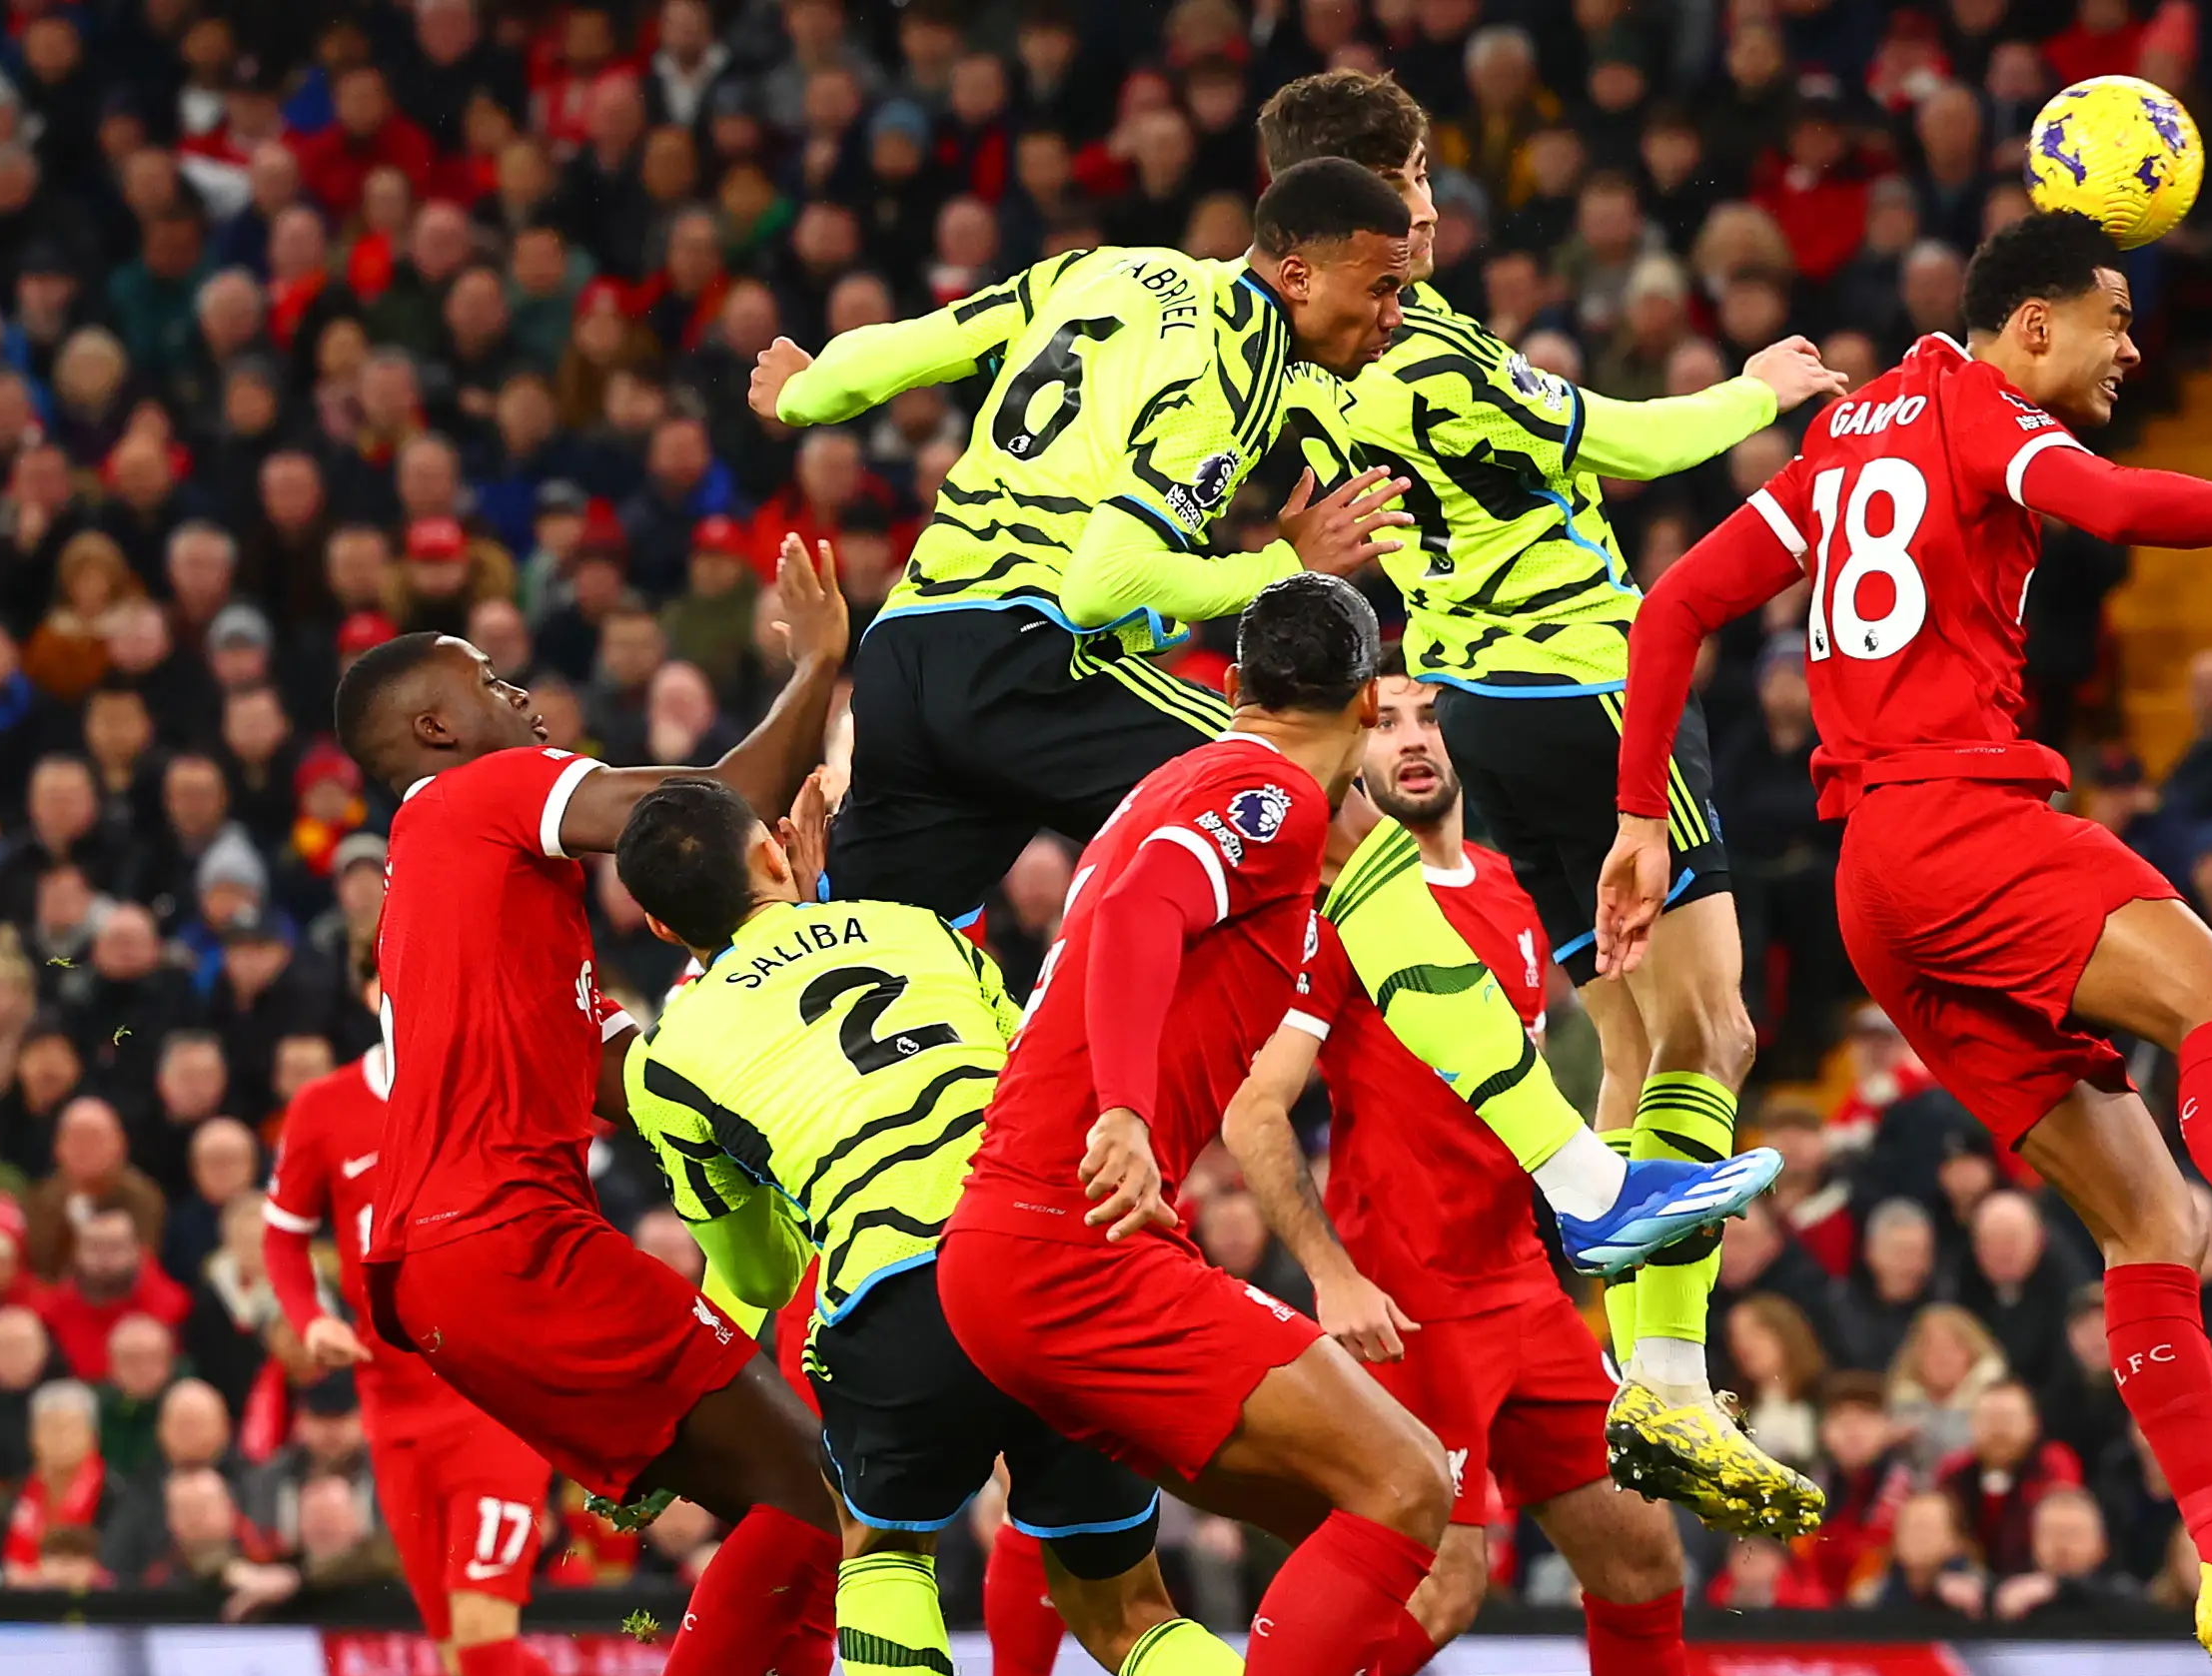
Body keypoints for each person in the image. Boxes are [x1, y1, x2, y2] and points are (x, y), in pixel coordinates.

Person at [1603, 208, 2212, 1676]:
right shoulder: (1981, 414)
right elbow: (2118, 507)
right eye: (2113, 320)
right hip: (1958, 819)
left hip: (1875, 888)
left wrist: (1639, 817)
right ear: (2030, 326)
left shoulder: (1838, 445)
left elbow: (1676, 602)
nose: (2130, 348)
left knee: (2149, 1221)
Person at [744, 160, 1747, 1361]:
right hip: (1031, 655)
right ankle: (1584, 1186)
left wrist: (805, 394)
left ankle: (782, 1326)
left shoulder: (1101, 270)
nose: (1391, 317)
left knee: (859, 970)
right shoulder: (1232, 360)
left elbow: (902, 351)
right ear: (1296, 274)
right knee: (1346, 834)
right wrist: (1285, 563)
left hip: (906, 653)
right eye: (1376, 292)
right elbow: (1101, 583)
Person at [935, 576, 1765, 1676]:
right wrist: (1125, 1111)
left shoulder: (1239, 797)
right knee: (1404, 1497)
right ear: (1371, 703)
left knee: (1384, 1527)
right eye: (1399, 713)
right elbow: (1138, 917)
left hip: (1053, 1245)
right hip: (1077, 1236)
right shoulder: (1262, 799)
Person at [607, 772, 1386, 1676]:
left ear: (663, 927)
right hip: (1050, 1256)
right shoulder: (921, 931)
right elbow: (1031, 1071)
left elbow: (754, 1268)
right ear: (774, 851)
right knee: (1129, 1607)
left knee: (881, 1548)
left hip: (889, 1294)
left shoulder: (669, 1062)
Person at [1251, 72, 1845, 1528]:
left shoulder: (1280, 355)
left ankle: (1651, 1379)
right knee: (1713, 1026)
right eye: (1415, 179)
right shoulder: (1430, 351)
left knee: (1633, 1040)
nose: (1432, 205)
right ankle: (1672, 1384)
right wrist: (1758, 391)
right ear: (1374, 198)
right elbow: (1630, 443)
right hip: (1586, 689)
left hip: (1474, 705)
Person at [1219, 672, 1808, 1676]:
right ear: (1350, 756)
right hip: (1412, 1304)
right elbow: (1255, 1108)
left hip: (1525, 1294)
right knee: (1439, 1588)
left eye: (1428, 717)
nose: (1410, 740)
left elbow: (1549, 1105)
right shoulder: (1345, 914)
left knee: (1639, 1559)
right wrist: (1328, 1272)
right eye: (1381, 724)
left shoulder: (1509, 894)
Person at [332, 538, 851, 1676]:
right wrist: (817, 668)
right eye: (488, 679)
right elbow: (691, 813)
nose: (522, 695)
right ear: (434, 724)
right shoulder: (474, 797)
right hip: (502, 1239)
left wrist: (776, 950)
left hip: (466, 1263)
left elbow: (643, 1080)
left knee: (809, 1523)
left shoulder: (492, 908)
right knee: (820, 1498)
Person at [262, 996, 631, 1676]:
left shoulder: (490, 1088)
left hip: (493, 1399)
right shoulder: (325, 1109)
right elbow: (282, 1233)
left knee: (482, 1626)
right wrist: (308, 1318)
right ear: (375, 988)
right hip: (391, 1414)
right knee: (462, 1651)